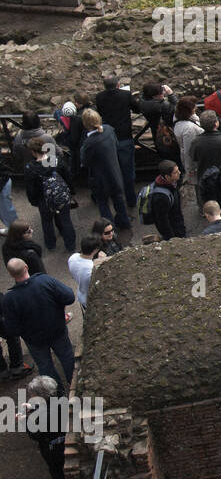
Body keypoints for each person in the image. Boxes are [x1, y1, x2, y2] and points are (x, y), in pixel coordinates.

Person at [2, 258, 76, 391]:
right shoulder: (45, 281)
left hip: (34, 340)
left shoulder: (9, 299)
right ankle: (76, 386)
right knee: (67, 358)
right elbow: (69, 296)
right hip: (57, 331)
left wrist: (25, 331)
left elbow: (12, 329)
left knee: (45, 367)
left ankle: (56, 395)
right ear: (26, 266)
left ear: (11, 274)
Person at [80, 109, 132, 228]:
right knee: (118, 200)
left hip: (100, 179)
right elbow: (116, 145)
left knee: (103, 204)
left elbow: (85, 162)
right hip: (114, 172)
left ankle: (109, 228)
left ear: (85, 124)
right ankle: (124, 223)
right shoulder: (109, 129)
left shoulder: (89, 143)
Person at [145, 160, 187, 240]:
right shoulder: (161, 197)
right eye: (175, 172)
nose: (179, 173)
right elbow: (162, 221)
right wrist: (171, 237)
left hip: (177, 222)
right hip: (174, 229)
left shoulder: (172, 183)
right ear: (167, 177)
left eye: (178, 170)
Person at [67, 236, 103, 307]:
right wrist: (100, 261)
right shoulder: (91, 269)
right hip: (90, 300)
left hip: (81, 294)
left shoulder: (73, 257)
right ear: (95, 250)